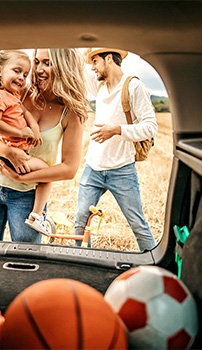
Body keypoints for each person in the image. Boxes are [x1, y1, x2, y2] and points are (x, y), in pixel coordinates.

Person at [0, 48, 89, 243]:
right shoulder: (18, 93)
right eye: (37, 61)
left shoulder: (71, 114)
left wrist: (19, 176)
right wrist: (9, 152)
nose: (38, 69)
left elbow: (69, 169)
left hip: (27, 196)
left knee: (26, 260)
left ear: (65, 67)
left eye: (47, 63)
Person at [74, 48, 157, 251]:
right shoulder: (100, 85)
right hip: (93, 167)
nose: (92, 67)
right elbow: (78, 68)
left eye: (95, 61)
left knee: (138, 225)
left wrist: (117, 130)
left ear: (109, 58)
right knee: (80, 224)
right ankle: (82, 262)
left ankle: (158, 267)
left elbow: (151, 126)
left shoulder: (134, 86)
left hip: (122, 169)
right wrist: (88, 49)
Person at [0, 50, 51, 235]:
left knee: (46, 174)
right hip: (9, 153)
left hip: (17, 151)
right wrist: (21, 132)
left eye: (25, 74)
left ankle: (38, 215)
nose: (21, 78)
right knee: (47, 173)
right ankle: (37, 216)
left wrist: (34, 129)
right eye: (16, 71)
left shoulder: (13, 95)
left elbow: (25, 112)